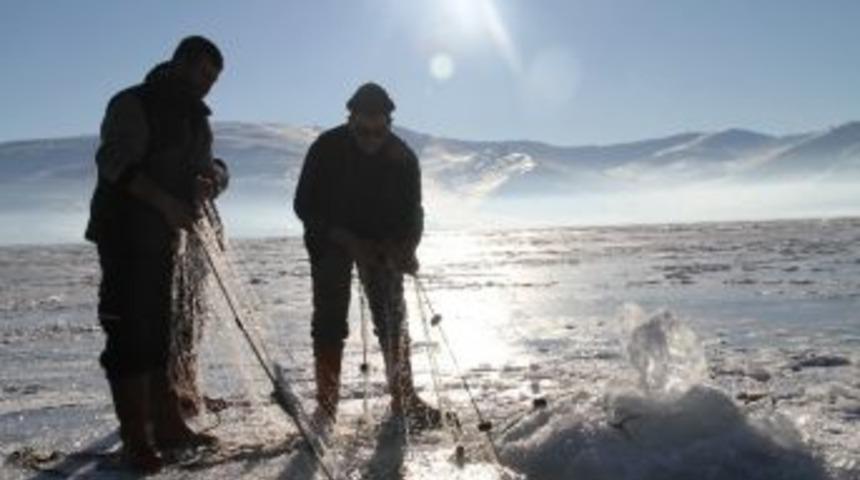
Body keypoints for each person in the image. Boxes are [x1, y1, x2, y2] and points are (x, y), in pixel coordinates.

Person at [84, 35, 227, 473]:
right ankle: (136, 439)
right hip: (125, 234)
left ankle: (167, 424)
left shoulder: (197, 120)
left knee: (162, 332)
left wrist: (212, 181)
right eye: (203, 73)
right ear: (180, 63)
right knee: (130, 333)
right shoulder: (134, 103)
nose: (207, 85)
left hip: (166, 239)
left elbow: (211, 166)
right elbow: (113, 162)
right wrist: (165, 202)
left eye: (214, 79)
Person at [294, 82, 442, 430]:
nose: (372, 138)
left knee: (392, 316)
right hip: (331, 237)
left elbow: (413, 211)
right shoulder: (326, 148)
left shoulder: (403, 156)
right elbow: (303, 205)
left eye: (380, 130)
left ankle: (404, 399)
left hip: (381, 240)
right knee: (330, 317)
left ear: (389, 122)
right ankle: (326, 405)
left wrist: (408, 247)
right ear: (351, 120)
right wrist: (345, 238)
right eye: (364, 130)